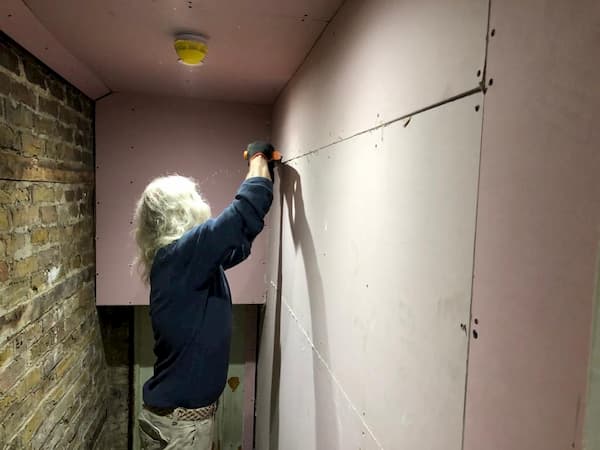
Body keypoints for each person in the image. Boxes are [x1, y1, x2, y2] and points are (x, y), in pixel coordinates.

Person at [133, 142, 275, 449]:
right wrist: (258, 159)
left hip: (179, 423)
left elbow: (236, 244)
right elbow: (243, 213)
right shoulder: (181, 256)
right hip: (180, 428)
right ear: (184, 210)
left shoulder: (180, 261)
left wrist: (262, 175)